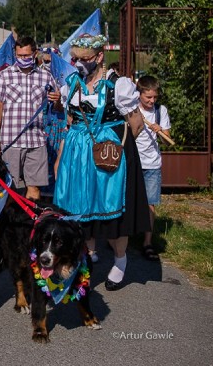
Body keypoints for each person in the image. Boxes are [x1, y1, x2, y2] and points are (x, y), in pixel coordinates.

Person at [54, 34, 150, 290]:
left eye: (85, 59)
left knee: (111, 210)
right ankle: (85, 259)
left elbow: (136, 124)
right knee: (80, 212)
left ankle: (120, 261)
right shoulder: (71, 85)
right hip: (77, 155)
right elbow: (70, 122)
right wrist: (63, 154)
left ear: (99, 57)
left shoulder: (119, 86)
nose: (79, 64)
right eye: (76, 59)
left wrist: (118, 147)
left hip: (107, 154)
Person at [0, 36, 59, 201]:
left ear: (34, 54)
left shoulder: (46, 76)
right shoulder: (5, 76)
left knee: (34, 189)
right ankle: (10, 224)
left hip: (37, 142)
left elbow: (56, 109)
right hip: (11, 141)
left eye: (26, 56)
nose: (23, 59)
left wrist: (58, 101)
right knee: (11, 189)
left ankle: (30, 224)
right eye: (19, 56)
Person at [136, 75, 171, 261]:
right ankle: (121, 238)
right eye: (148, 97)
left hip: (152, 163)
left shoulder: (160, 110)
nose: (152, 101)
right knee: (128, 201)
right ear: (139, 93)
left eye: (154, 97)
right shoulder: (132, 109)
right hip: (134, 162)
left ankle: (147, 243)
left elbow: (167, 135)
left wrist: (160, 130)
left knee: (150, 204)